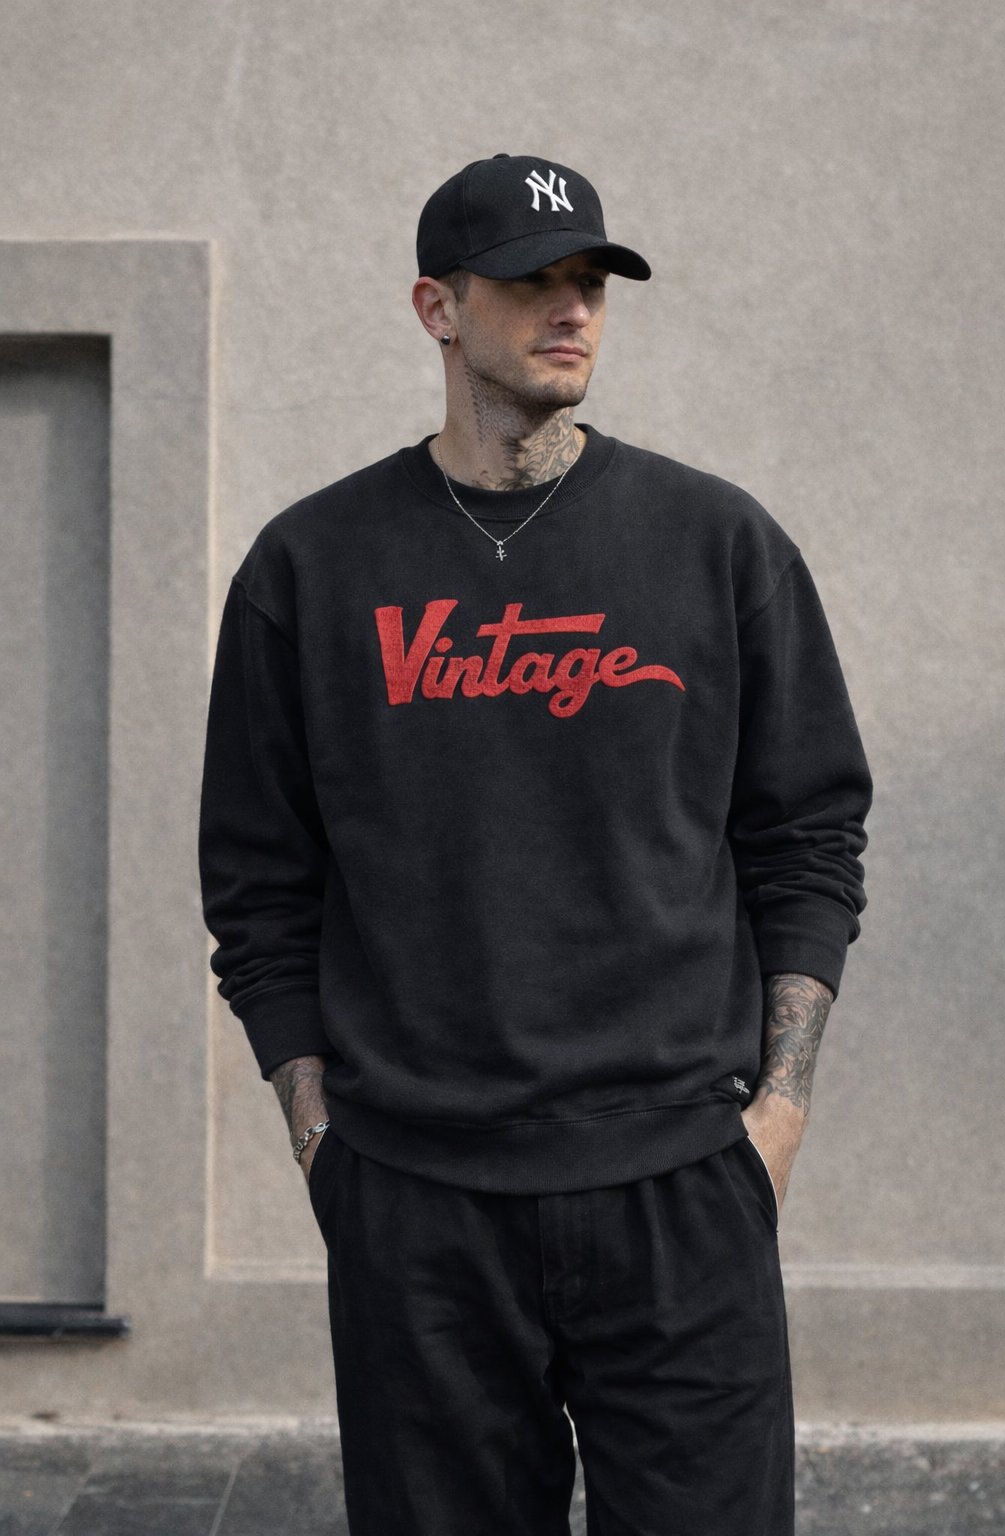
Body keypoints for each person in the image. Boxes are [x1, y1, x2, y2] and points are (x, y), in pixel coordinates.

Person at [199, 153, 871, 1536]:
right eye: (529, 283)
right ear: (437, 308)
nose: (571, 311)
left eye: (590, 283)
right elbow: (260, 884)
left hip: (680, 1185)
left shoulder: (718, 544)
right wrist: (322, 1141)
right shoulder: (311, 568)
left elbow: (807, 837)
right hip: (418, 1202)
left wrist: (778, 1116)